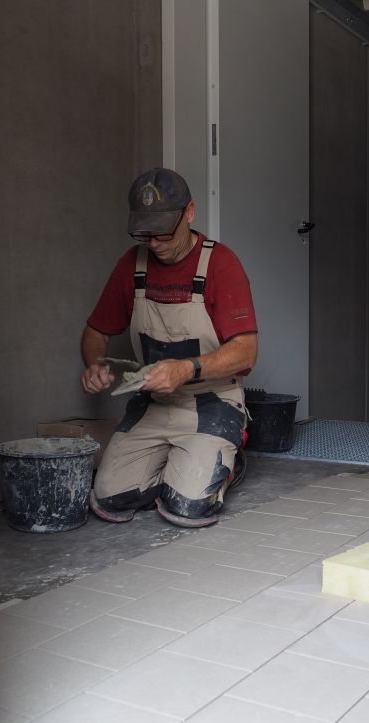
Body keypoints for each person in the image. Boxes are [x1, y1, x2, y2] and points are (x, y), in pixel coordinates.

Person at [80, 167, 258, 528]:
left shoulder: (220, 264)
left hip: (212, 402)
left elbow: (246, 351)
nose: (154, 243)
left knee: (188, 506)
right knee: (109, 497)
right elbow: (95, 331)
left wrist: (187, 368)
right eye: (143, 232)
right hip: (154, 404)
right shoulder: (131, 265)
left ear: (189, 213)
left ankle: (225, 460)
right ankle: (181, 463)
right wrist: (94, 362)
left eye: (162, 232)